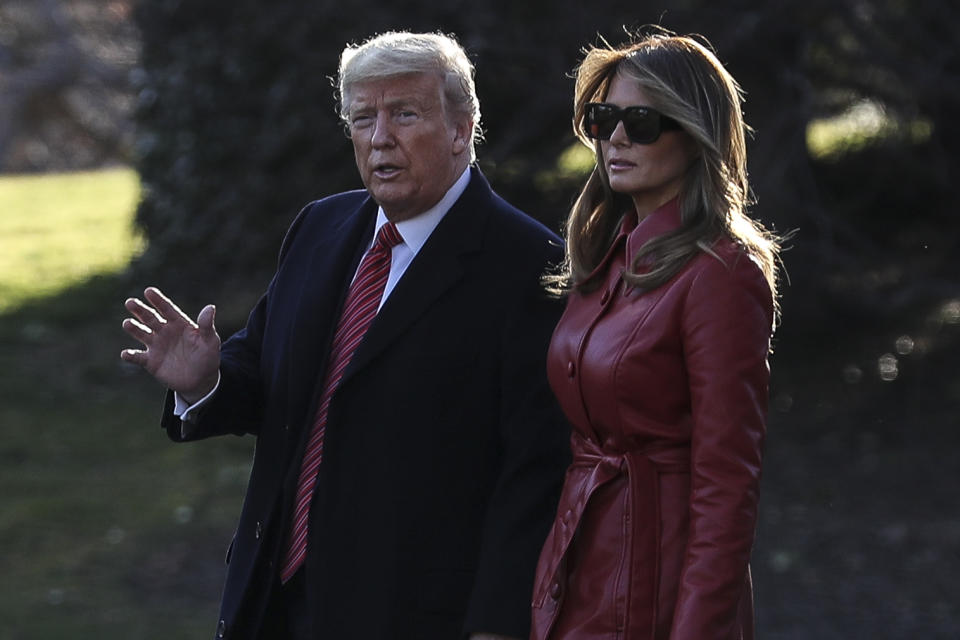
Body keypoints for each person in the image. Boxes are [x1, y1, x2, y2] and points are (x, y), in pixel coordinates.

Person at [121, 31, 569, 640]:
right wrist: (207, 381)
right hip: (272, 598)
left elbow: (535, 471)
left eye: (404, 114)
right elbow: (269, 377)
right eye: (363, 118)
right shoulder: (320, 225)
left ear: (462, 128)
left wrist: (495, 624)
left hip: (414, 612)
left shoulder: (531, 264)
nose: (380, 137)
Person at [530, 32, 782, 640]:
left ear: (694, 136)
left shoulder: (722, 274)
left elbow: (728, 485)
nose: (615, 137)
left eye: (641, 122)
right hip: (577, 561)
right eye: (603, 118)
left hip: (660, 583)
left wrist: (695, 628)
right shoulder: (603, 257)